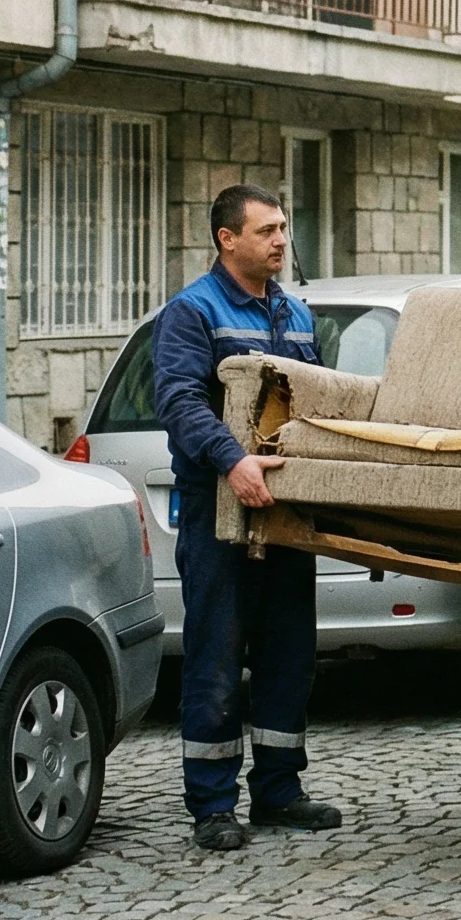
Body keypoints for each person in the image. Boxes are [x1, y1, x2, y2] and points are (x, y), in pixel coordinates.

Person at [151, 183, 338, 852]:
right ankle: (211, 805)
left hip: (285, 510)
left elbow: (316, 402)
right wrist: (232, 461)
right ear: (226, 239)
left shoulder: (296, 313)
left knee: (290, 654)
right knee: (217, 657)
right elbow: (178, 400)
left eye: (283, 227)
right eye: (267, 231)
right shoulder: (192, 313)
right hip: (219, 510)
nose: (281, 240)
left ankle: (279, 791)